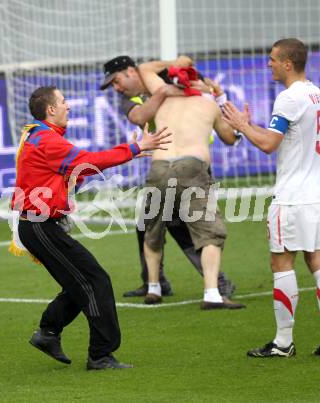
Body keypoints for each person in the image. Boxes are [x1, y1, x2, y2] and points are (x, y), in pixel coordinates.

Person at [11, 86, 171, 370]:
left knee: (80, 282)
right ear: (50, 110)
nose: (68, 106)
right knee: (95, 281)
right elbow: (87, 162)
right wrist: (134, 148)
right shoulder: (47, 140)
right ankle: (100, 355)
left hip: (39, 226)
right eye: (63, 101)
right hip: (40, 227)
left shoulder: (41, 137)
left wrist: (130, 154)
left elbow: (75, 172)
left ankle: (48, 333)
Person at [222, 38, 320, 357]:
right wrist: (250, 126)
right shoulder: (315, 93)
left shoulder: (289, 98)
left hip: (292, 198)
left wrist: (243, 127)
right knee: (319, 261)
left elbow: (269, 144)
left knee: (282, 263)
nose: (269, 63)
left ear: (288, 63)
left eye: (273, 59)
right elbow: (285, 137)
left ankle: (283, 342)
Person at [100, 55, 236, 300]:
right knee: (147, 224)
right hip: (164, 162)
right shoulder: (135, 97)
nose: (116, 88)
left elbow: (202, 82)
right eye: (112, 85)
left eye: (116, 81)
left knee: (179, 224)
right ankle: (156, 282)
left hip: (192, 162)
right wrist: (163, 93)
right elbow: (140, 116)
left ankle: (213, 283)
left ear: (132, 71)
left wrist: (196, 84)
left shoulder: (167, 78)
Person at [137, 59, 246, 310]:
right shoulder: (208, 104)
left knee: (153, 228)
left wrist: (177, 61)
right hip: (192, 167)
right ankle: (211, 293)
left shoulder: (161, 96)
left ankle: (153, 287)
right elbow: (229, 138)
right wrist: (220, 98)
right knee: (210, 233)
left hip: (160, 166)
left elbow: (145, 69)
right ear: (198, 81)